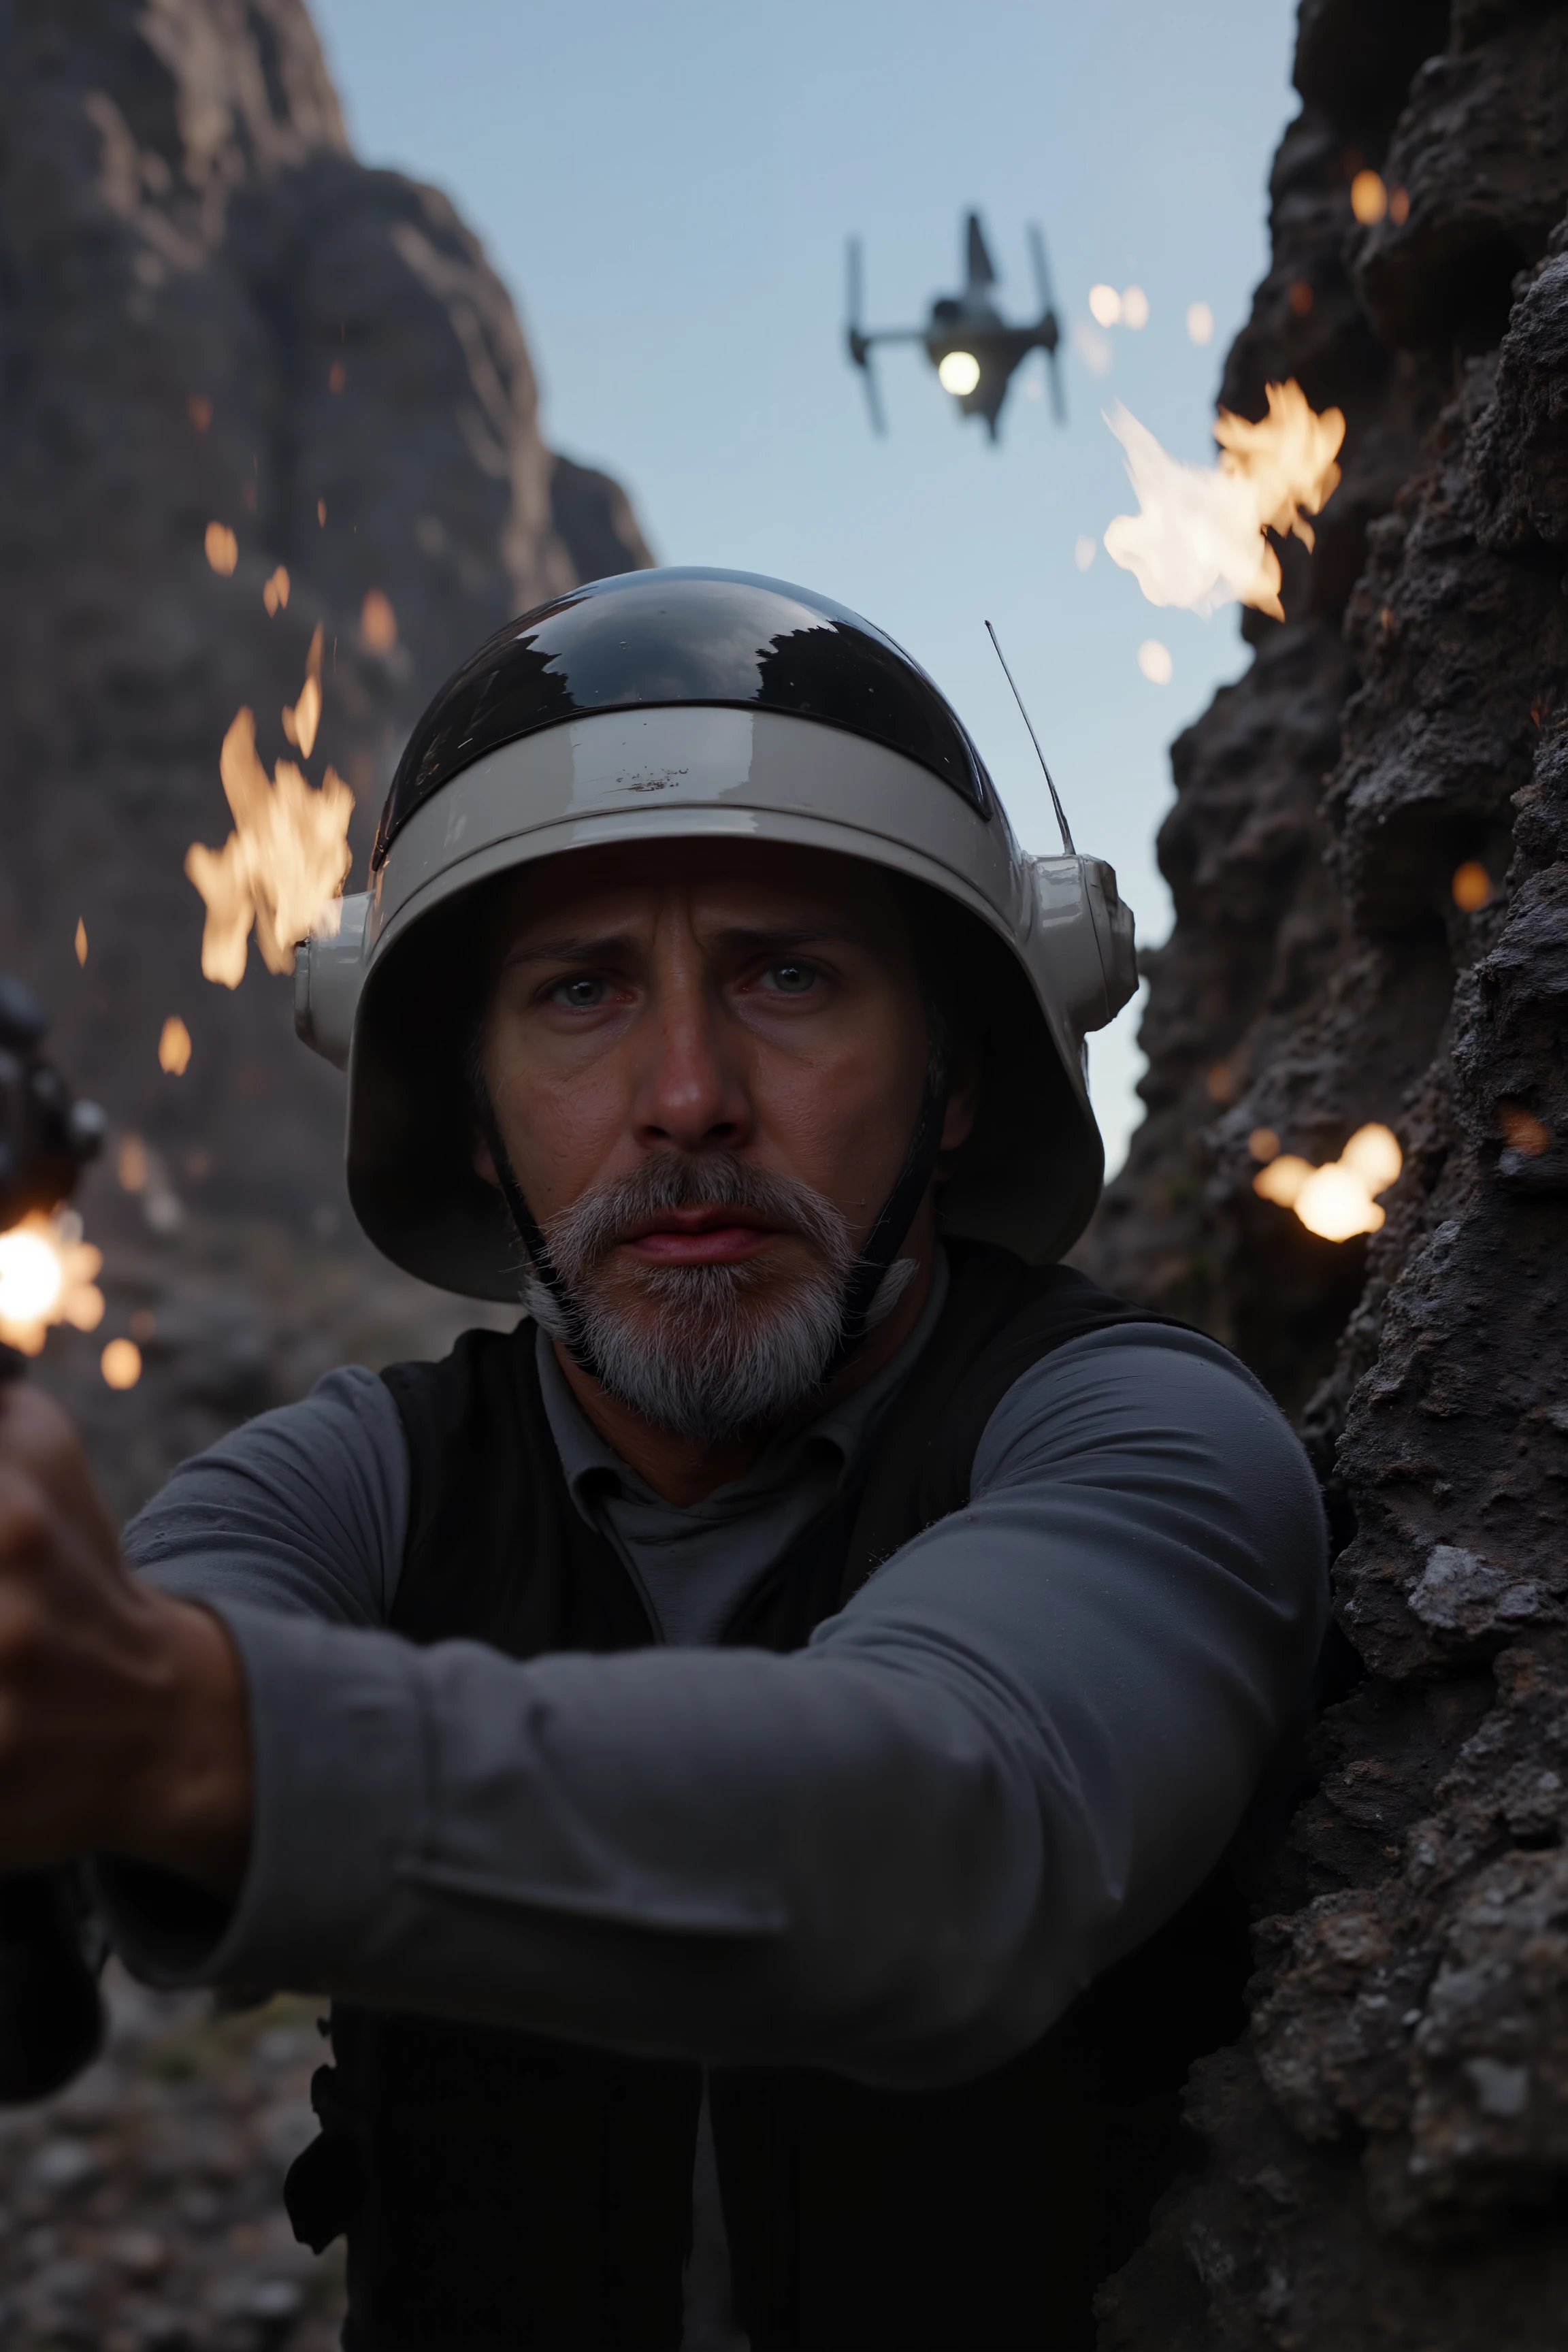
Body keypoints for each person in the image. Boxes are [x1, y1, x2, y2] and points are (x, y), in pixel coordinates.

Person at [0, 570, 1326, 2352]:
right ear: (470, 1113)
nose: (687, 1092)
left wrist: (180, 1737)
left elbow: (947, 1835)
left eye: (789, 975)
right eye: (581, 992)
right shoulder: (350, 1482)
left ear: (950, 1081)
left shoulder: (1138, 1444)